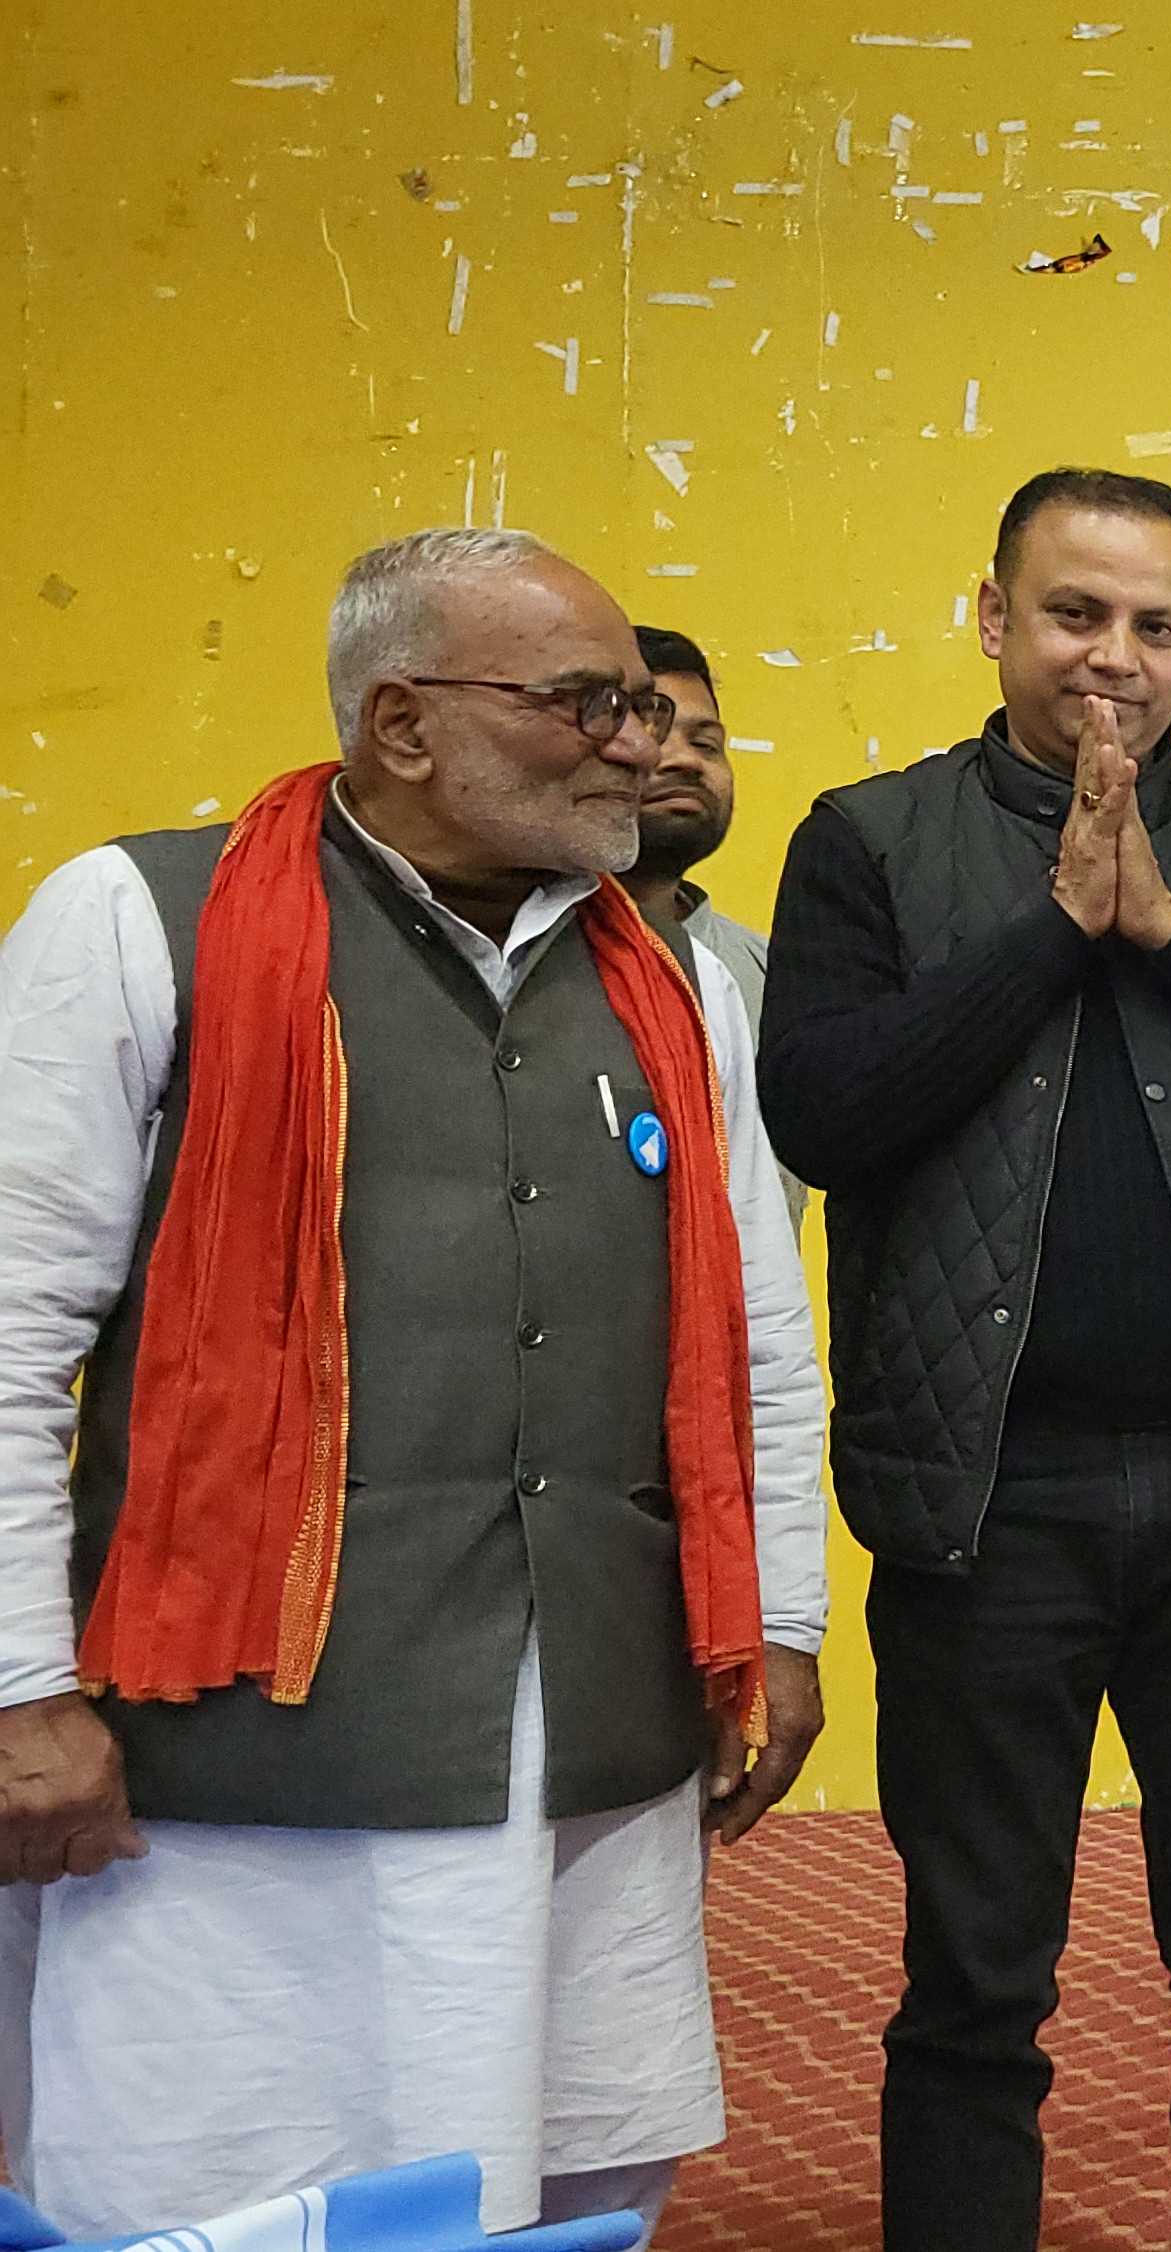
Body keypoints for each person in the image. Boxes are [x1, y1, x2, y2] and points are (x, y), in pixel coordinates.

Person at [0, 528, 830, 2238]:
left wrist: (788, 1625)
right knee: (218, 2178)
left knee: (568, 2162)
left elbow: (761, 1335)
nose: (639, 744)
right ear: (403, 724)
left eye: (646, 705)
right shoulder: (140, 922)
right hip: (235, 1767)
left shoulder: (681, 982)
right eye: (586, 703)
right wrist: (17, 1687)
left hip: (598, 1724)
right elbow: (11, 1330)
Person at [759, 468, 1171, 2252]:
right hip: (985, 1503)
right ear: (993, 618)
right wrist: (1056, 929)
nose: (1113, 656)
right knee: (976, 1973)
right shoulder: (868, 840)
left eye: (1155, 626)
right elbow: (826, 1112)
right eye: (1074, 614)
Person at [629, 623, 804, 1225]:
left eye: (706, 744)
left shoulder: (769, 974)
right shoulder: (520, 963)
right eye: (651, 735)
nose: (684, 760)